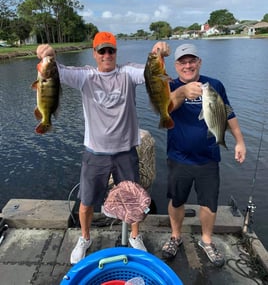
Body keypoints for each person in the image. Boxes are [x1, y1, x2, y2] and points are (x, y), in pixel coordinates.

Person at [36, 32, 169, 265]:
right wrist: (48, 53)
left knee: (132, 199)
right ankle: (85, 238)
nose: (107, 55)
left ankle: (135, 236)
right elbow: (56, 70)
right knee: (87, 201)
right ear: (94, 53)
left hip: (126, 151)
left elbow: (151, 73)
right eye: (102, 51)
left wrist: (158, 52)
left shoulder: (128, 73)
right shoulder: (85, 76)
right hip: (94, 152)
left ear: (116, 52)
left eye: (111, 50)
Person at [161, 43, 246, 267]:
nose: (187, 65)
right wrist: (181, 92)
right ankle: (175, 236)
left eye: (192, 60)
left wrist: (239, 141)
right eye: (182, 61)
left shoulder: (215, 85)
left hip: (208, 157)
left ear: (199, 62)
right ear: (175, 64)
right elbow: (165, 111)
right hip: (178, 157)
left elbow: (228, 113)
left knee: (209, 204)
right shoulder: (168, 86)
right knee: (176, 200)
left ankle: (206, 241)